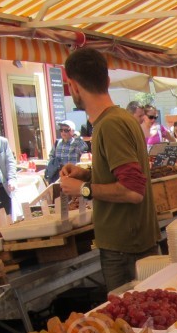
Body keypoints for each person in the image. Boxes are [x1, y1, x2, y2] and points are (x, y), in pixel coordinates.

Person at [58, 48, 160, 292]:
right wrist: (87, 174)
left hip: (125, 246)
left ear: (72, 86)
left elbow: (133, 191)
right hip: (130, 243)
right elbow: (125, 177)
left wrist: (83, 189)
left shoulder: (110, 124)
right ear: (106, 80)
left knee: (131, 324)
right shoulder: (120, 119)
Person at [43, 120, 89, 184]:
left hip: (72, 176)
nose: (63, 132)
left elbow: (85, 148)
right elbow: (51, 156)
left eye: (66, 130)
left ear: (72, 131)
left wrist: (76, 136)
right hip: (58, 176)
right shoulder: (57, 143)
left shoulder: (76, 142)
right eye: (61, 130)